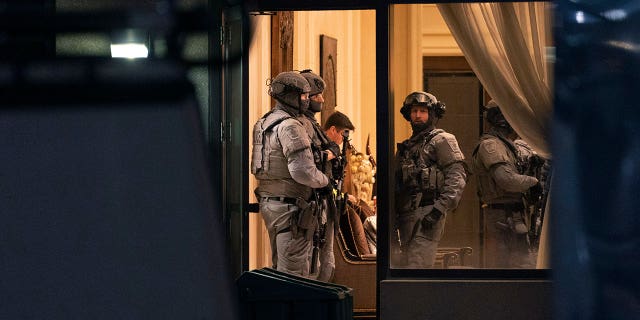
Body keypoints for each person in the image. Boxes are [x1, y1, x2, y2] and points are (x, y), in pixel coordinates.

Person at [250, 71, 331, 277]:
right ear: (289, 96)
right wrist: (324, 181)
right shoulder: (291, 126)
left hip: (271, 204)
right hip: (292, 207)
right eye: (303, 96)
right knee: (295, 273)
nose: (306, 101)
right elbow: (303, 172)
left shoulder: (263, 122)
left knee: (281, 267)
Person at [394, 91, 467, 268]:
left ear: (432, 114)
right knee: (406, 266)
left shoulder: (442, 140)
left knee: (418, 265)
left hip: (427, 212)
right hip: (405, 216)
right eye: (414, 111)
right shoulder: (406, 147)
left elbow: (457, 176)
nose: (417, 115)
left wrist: (438, 210)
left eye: (423, 111)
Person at [471, 100, 542, 268]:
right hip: (505, 214)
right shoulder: (492, 145)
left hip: (515, 211)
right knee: (518, 265)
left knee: (521, 261)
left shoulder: (508, 145)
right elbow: (506, 180)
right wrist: (534, 183)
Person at [298, 69, 341, 281]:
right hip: (312, 198)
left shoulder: (311, 123)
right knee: (311, 262)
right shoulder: (300, 124)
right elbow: (315, 158)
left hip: (323, 198)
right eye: (316, 96)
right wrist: (330, 153)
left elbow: (329, 149)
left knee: (326, 259)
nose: (322, 100)